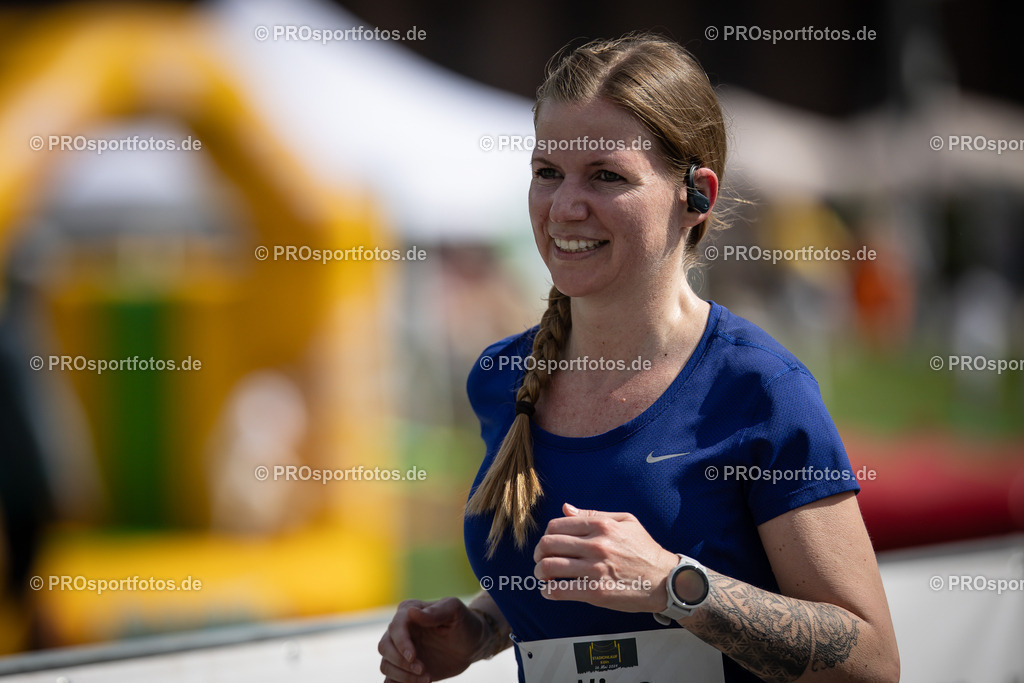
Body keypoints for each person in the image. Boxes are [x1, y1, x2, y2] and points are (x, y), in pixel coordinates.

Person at [379, 32, 899, 683]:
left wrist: (674, 585)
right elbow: (576, 586)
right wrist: (480, 629)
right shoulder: (501, 377)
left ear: (697, 194)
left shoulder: (761, 389)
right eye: (548, 173)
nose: (565, 206)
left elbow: (871, 661)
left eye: (606, 176)